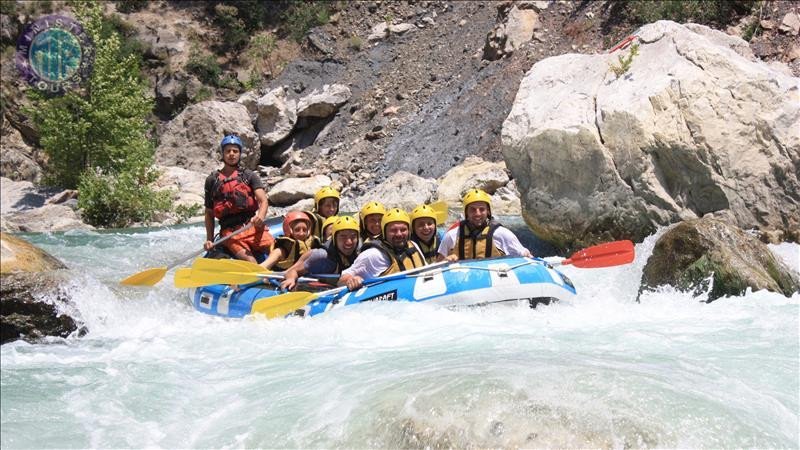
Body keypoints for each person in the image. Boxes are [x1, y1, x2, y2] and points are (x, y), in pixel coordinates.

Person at [204, 135, 271, 263]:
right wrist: (209, 239)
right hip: (230, 233)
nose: (231, 154)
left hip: (252, 226)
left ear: (240, 154)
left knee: (278, 251)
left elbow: (263, 201)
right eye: (228, 151)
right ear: (222, 154)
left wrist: (260, 217)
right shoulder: (212, 180)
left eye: (235, 151)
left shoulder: (249, 176)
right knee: (250, 261)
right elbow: (209, 213)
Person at [339, 208, 426, 291]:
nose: (399, 234)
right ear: (384, 232)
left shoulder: (413, 245)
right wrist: (351, 279)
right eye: (393, 230)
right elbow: (342, 278)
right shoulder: (373, 254)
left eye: (403, 230)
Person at [438, 189, 532, 262]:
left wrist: (527, 254)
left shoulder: (502, 234)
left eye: (482, 209)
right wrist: (446, 261)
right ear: (466, 212)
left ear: (488, 212)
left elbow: (527, 258)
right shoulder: (452, 236)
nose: (477, 214)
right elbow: (438, 265)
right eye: (473, 209)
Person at [280, 216, 360, 291]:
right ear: (334, 238)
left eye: (353, 237)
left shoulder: (359, 254)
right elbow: (293, 271)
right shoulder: (322, 257)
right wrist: (291, 279)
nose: (349, 242)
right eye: (343, 236)